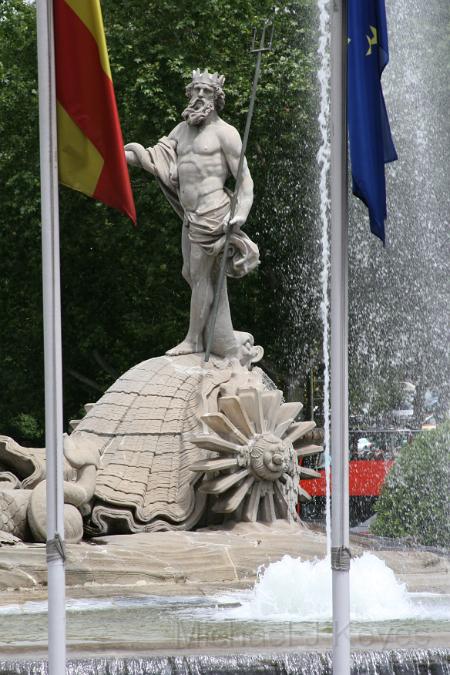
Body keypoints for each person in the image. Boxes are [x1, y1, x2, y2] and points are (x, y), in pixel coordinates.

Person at [125, 69, 259, 357]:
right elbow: (152, 158)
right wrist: (114, 155)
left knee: (199, 276)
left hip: (214, 214)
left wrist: (240, 215)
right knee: (190, 273)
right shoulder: (180, 131)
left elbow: (245, 180)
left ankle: (193, 340)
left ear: (216, 98)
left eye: (206, 92)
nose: (199, 96)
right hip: (189, 217)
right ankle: (224, 335)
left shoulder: (226, 133)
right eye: (195, 90)